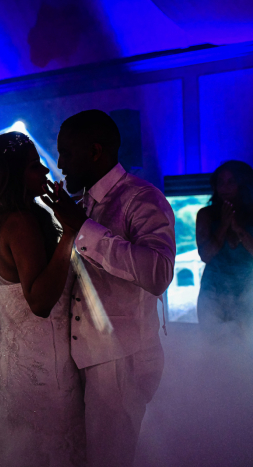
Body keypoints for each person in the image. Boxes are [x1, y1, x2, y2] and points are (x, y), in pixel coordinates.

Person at [44, 110, 175, 467]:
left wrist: (83, 228)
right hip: (87, 356)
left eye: (66, 152)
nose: (59, 163)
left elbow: (159, 272)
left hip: (122, 357)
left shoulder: (143, 198)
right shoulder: (83, 203)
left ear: (95, 151)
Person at [0, 132, 86, 466]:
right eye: (35, 166)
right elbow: (39, 302)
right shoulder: (19, 222)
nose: (47, 172)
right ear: (14, 174)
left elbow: (8, 288)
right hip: (36, 365)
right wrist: (71, 233)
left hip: (4, 354)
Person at [196, 160, 253, 335]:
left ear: (243, 183)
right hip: (213, 291)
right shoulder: (206, 214)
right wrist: (223, 226)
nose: (225, 188)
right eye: (220, 182)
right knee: (214, 347)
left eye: (231, 182)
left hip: (248, 290)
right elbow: (205, 256)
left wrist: (237, 228)